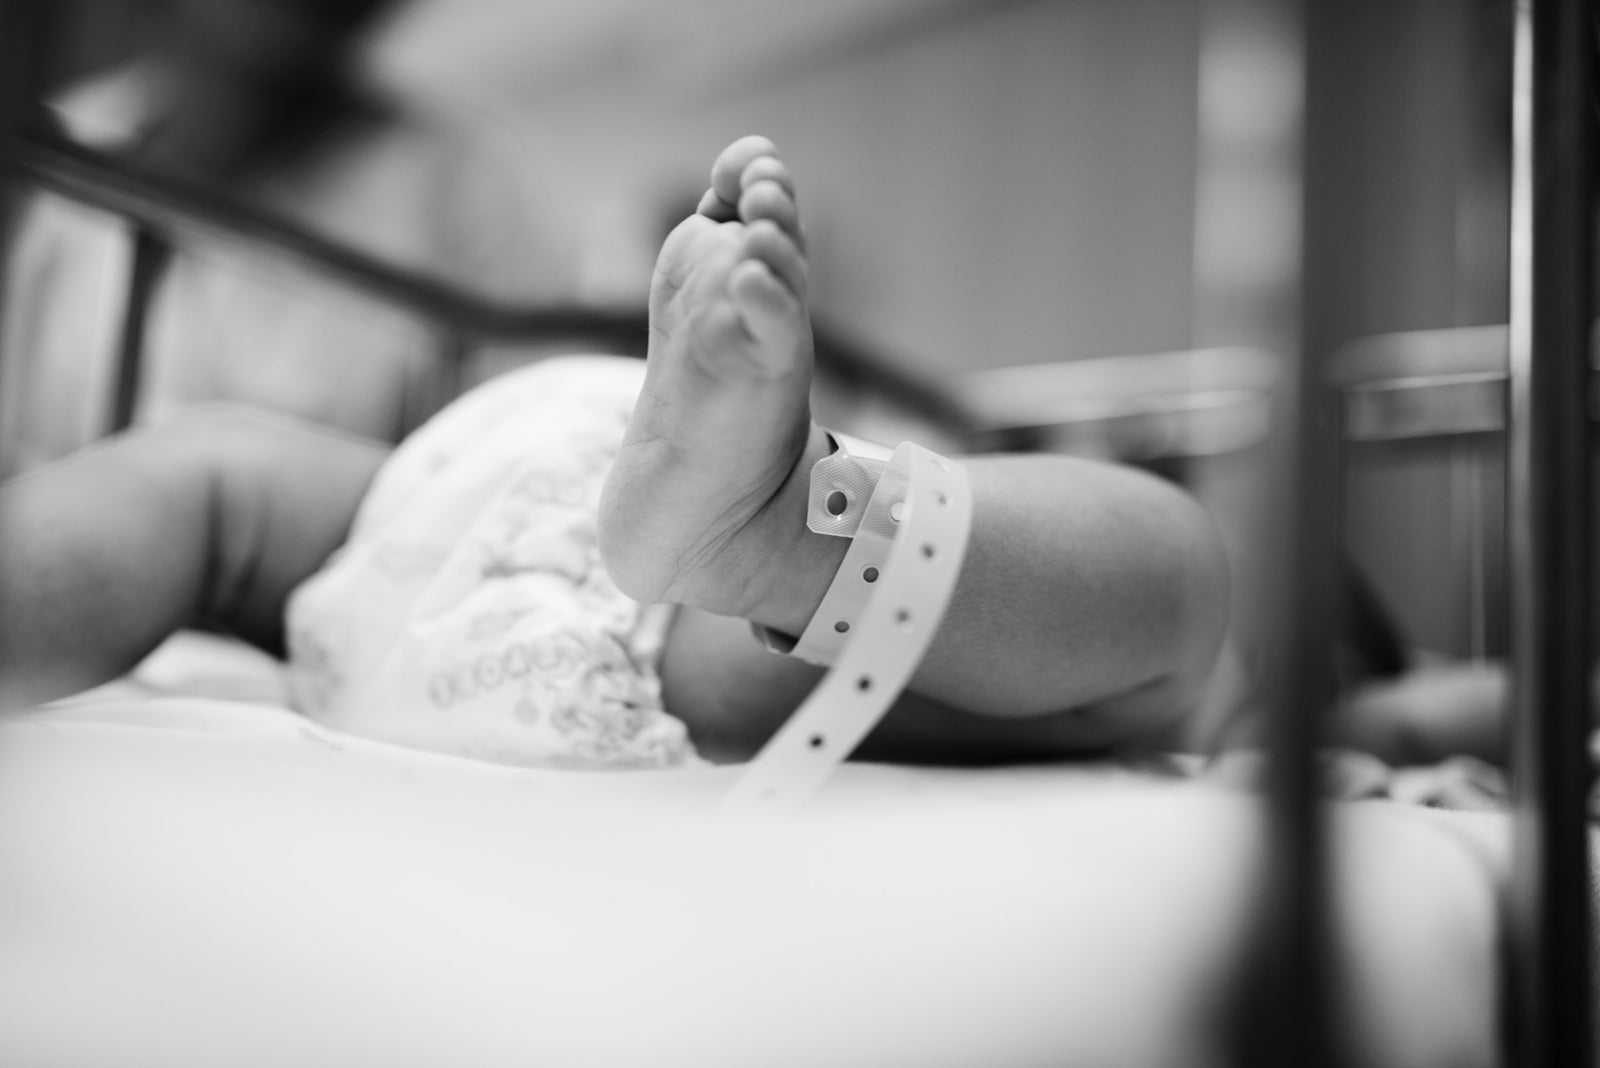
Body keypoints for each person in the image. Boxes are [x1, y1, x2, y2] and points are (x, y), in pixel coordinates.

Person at [0, 135, 1231, 767]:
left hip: (433, 509)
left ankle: (773, 515)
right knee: (1179, 585)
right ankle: (787, 524)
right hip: (672, 595)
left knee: (209, 480)